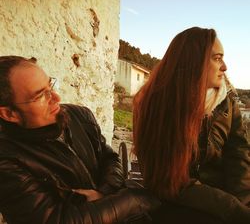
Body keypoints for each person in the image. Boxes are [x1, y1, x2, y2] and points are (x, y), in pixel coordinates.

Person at [0, 55, 160, 224]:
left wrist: (104, 193)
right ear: (9, 114)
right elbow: (56, 220)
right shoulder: (6, 159)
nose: (56, 98)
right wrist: (135, 200)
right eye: (40, 96)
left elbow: (111, 159)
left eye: (50, 85)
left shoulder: (80, 116)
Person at [133, 27, 250, 223]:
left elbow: (238, 155)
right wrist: (232, 209)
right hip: (178, 203)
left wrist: (243, 204)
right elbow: (167, 182)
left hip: (226, 200)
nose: (225, 67)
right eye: (217, 58)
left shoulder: (226, 102)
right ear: (195, 61)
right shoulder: (156, 105)